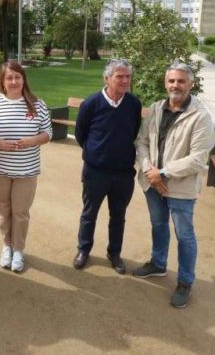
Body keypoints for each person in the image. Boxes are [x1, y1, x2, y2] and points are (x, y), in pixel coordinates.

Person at [134, 62, 215, 309]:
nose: (175, 85)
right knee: (158, 225)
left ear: (191, 83)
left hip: (179, 187)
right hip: (153, 183)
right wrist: (150, 169)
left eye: (181, 81)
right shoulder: (157, 108)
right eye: (171, 81)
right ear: (165, 82)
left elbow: (198, 158)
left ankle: (185, 282)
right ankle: (158, 264)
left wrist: (163, 173)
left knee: (185, 236)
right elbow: (142, 141)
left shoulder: (200, 116)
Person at [73, 59, 141, 274]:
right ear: (107, 78)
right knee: (89, 213)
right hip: (96, 172)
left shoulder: (133, 104)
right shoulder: (91, 103)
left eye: (128, 77)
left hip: (123, 174)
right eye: (119, 76)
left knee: (118, 216)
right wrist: (96, 153)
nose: (125, 80)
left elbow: (134, 133)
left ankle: (114, 253)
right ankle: (84, 250)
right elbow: (80, 134)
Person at [0, 61, 52, 273]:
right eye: (9, 78)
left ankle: (19, 249)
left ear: (23, 79)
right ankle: (7, 246)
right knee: (3, 210)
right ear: (2, 82)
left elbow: (48, 133)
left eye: (18, 77)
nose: (14, 81)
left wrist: (32, 140)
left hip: (26, 169)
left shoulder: (37, 104)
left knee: (21, 212)